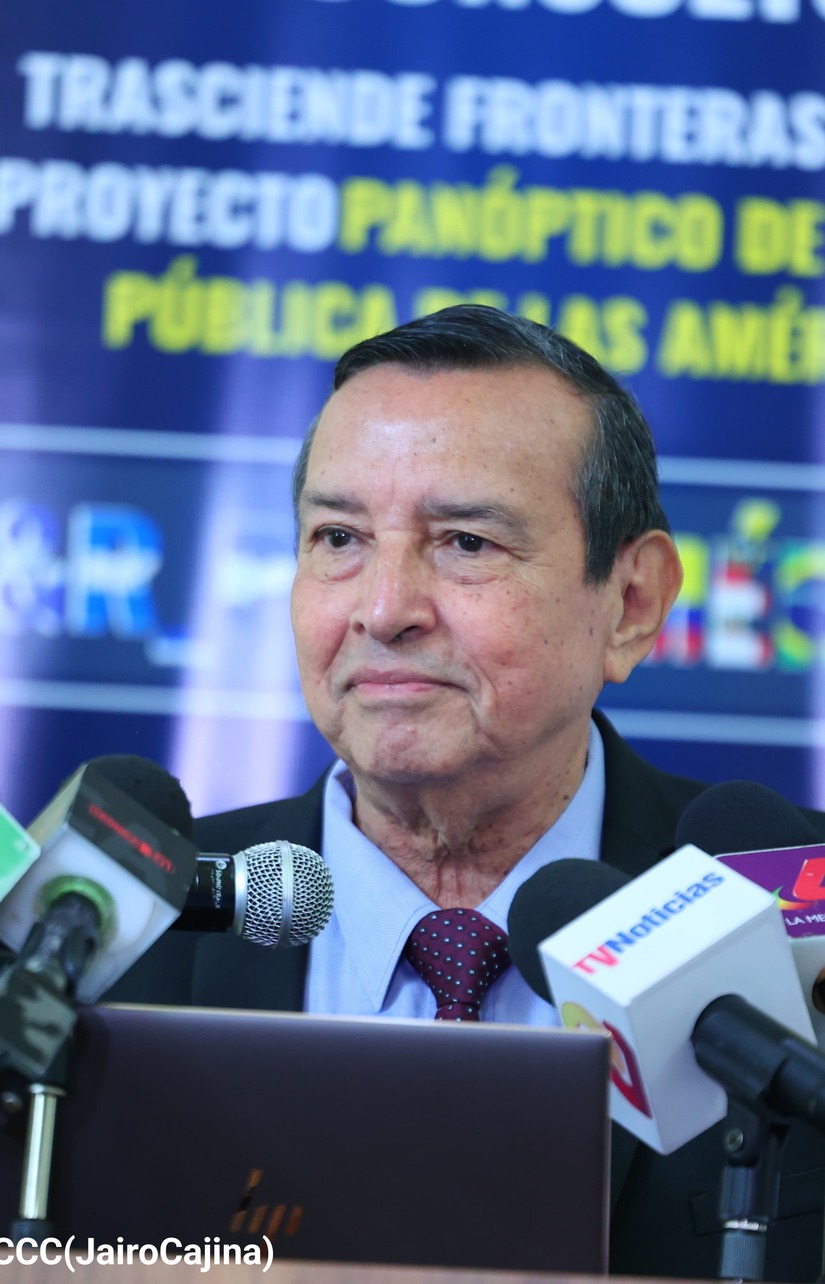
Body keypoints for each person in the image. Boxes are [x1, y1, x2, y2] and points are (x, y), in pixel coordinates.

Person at [111, 304, 825, 1281]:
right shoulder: (115, 933)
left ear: (631, 604)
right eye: (338, 537)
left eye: (465, 543)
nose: (383, 610)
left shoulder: (792, 916)